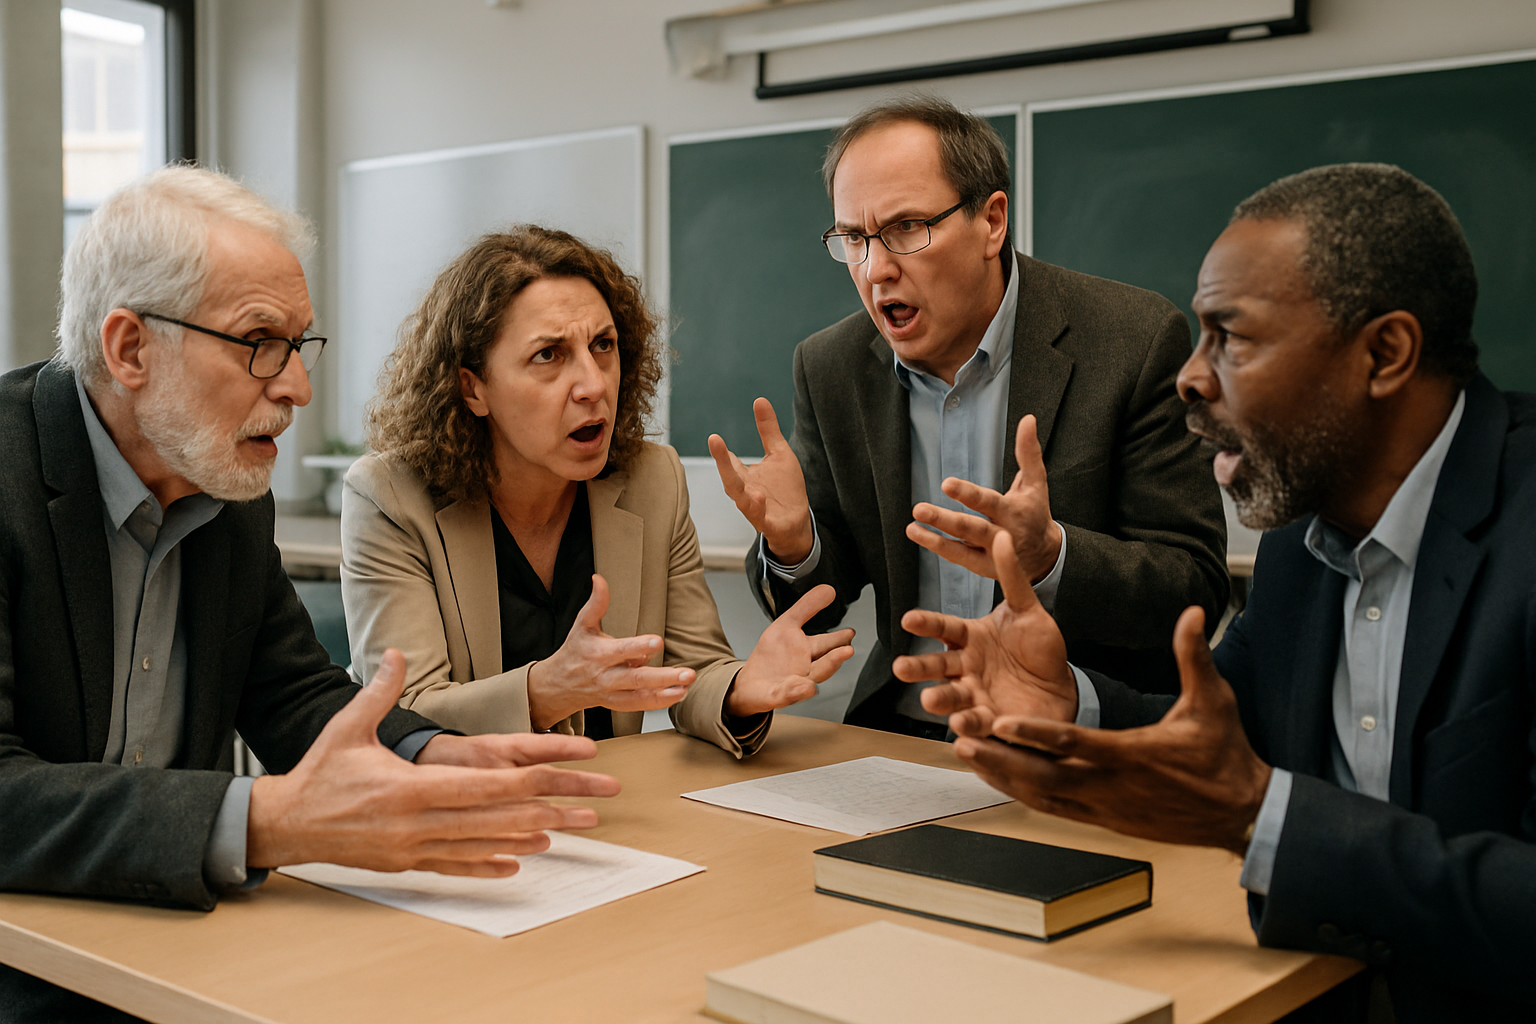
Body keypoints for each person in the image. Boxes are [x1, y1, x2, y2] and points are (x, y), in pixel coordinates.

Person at [894, 164, 1536, 1021]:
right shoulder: (1303, 540)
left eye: (1231, 338)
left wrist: (1262, 816)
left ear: (1385, 354)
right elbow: (1229, 725)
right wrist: (1070, 703)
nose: (1190, 379)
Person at [0, 168, 622, 1023]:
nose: (295, 386)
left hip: (174, 944)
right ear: (131, 349)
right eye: (260, 342)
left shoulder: (219, 479)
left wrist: (426, 755)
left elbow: (292, 690)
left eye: (299, 345)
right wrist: (266, 819)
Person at [708, 96, 1227, 737]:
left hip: (1078, 729)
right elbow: (812, 614)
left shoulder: (1133, 339)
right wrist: (794, 546)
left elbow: (1193, 593)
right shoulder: (832, 366)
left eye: (905, 229)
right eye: (853, 239)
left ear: (992, 222)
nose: (876, 269)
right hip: (904, 727)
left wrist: (1051, 557)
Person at [342, 226, 854, 755]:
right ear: (474, 388)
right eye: (549, 355)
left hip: (607, 808)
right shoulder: (389, 496)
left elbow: (696, 669)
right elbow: (406, 710)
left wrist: (738, 691)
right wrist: (547, 691)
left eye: (603, 346)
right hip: (460, 811)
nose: (593, 384)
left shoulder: (652, 478)